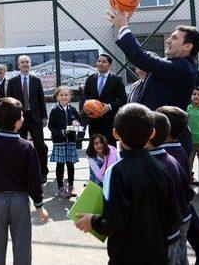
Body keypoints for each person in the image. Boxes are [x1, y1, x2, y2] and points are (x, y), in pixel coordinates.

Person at [75, 103, 178, 264]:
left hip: (125, 255)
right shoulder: (162, 168)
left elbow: (115, 223)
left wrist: (93, 221)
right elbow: (173, 215)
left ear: (115, 133)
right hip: (157, 253)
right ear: (152, 133)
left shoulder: (115, 172)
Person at [109, 9, 199, 157]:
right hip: (158, 139)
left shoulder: (182, 67)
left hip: (168, 143)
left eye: (174, 38)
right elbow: (141, 58)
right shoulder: (176, 65)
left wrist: (123, 27)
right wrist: (124, 27)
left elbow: (141, 57)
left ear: (188, 46)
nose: (168, 40)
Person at [0, 97, 49, 264]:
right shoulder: (26, 146)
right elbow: (34, 180)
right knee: (22, 246)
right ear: (18, 123)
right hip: (19, 200)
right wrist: (39, 206)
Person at [159, 105, 199, 265]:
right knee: (195, 240)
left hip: (177, 211)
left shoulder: (167, 155)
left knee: (178, 251)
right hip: (183, 207)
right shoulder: (179, 148)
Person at [149, 111, 194, 265]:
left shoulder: (164, 157)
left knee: (174, 257)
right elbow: (188, 190)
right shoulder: (179, 150)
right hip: (181, 216)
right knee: (181, 254)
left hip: (172, 221)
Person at [6, 55, 49, 182]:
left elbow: (41, 99)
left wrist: (44, 117)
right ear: (18, 65)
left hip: (34, 117)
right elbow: (9, 101)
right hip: (19, 118)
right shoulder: (13, 81)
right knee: (20, 146)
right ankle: (22, 172)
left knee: (40, 145)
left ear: (30, 65)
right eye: (22, 62)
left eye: (27, 62)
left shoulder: (36, 80)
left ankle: (43, 172)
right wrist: (12, 119)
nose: (25, 64)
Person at [81, 54, 127, 147]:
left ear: (109, 65)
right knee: (94, 148)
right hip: (93, 121)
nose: (100, 63)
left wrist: (109, 106)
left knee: (109, 148)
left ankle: (110, 162)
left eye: (104, 61)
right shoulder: (90, 79)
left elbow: (123, 99)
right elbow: (84, 96)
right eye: (99, 61)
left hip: (109, 121)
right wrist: (87, 103)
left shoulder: (116, 80)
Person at [48, 86, 81, 198]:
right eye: (61, 95)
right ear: (57, 97)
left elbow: (78, 119)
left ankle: (71, 186)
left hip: (71, 141)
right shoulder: (54, 110)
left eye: (66, 95)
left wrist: (76, 122)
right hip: (59, 142)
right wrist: (61, 132)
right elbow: (51, 126)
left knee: (70, 164)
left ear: (70, 97)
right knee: (60, 165)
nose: (64, 97)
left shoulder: (73, 109)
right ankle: (61, 187)